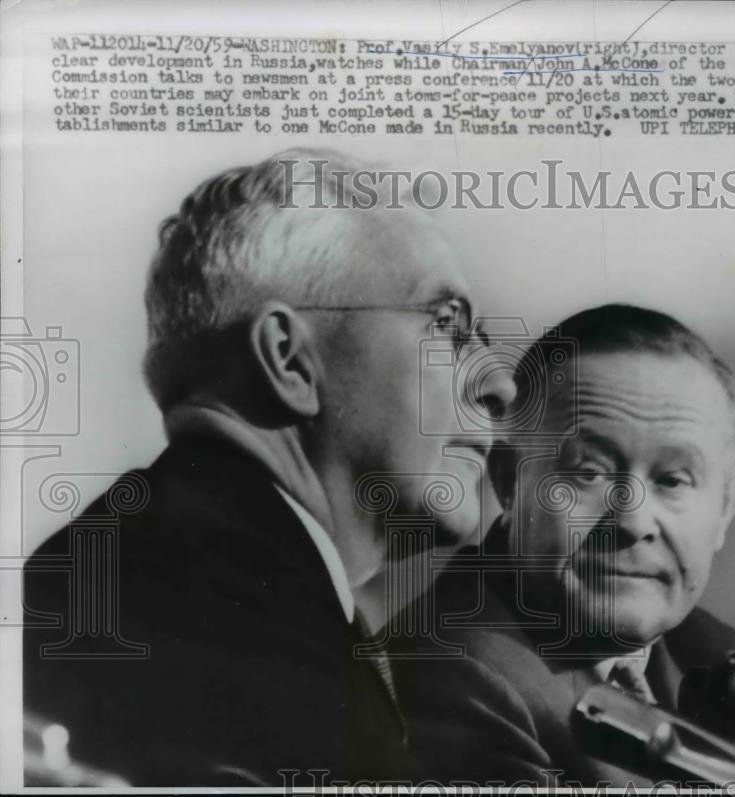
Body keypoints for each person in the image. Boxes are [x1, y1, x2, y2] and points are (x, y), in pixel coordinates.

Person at [22, 149, 515, 786]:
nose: (499, 383)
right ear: (290, 360)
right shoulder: (217, 626)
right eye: (447, 325)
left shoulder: (164, 571)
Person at [390, 303, 735, 787]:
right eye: (588, 473)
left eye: (673, 479)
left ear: (726, 505)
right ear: (509, 481)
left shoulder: (706, 654)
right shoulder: (456, 684)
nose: (632, 521)